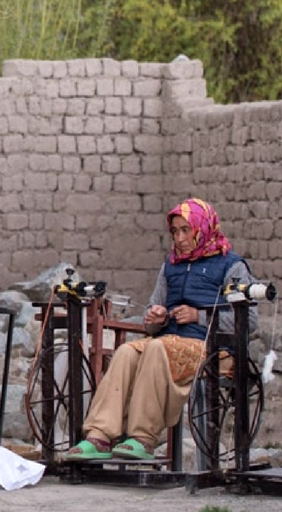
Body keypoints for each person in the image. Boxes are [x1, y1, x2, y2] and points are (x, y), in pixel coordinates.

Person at [66, 198, 258, 461]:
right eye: (175, 231)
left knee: (157, 348)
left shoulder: (231, 265)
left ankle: (143, 438)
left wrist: (197, 316)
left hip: (212, 349)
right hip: (170, 342)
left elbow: (250, 320)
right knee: (126, 353)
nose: (179, 238)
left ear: (203, 228)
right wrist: (155, 318)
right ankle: (99, 435)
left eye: (185, 230)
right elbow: (153, 317)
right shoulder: (171, 265)